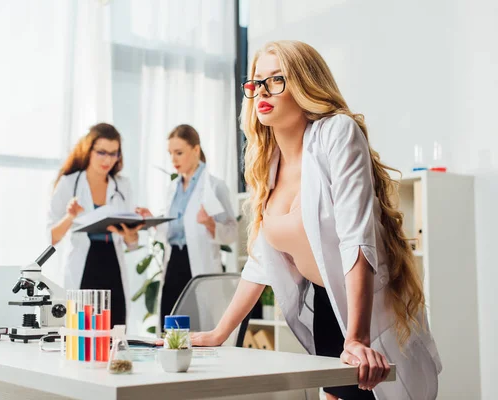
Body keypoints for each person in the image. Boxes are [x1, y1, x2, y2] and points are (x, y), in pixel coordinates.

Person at [189, 41, 442, 400]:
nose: (262, 90)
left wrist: (357, 338)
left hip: (366, 313)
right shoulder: (266, 163)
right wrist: (218, 333)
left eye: (276, 80)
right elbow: (260, 264)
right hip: (326, 312)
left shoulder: (336, 133)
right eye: (256, 82)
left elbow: (356, 239)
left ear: (306, 83)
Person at [137, 124, 238, 331]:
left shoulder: (214, 186)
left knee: (199, 327)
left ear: (195, 150)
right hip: (174, 263)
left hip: (199, 268)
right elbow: (173, 231)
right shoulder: (172, 188)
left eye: (179, 153)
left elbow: (232, 232)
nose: (173, 159)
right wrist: (152, 221)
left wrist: (210, 224)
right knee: (170, 327)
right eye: (170, 153)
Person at [47, 123, 142, 327]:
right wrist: (70, 216)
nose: (108, 159)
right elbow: (52, 237)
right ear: (88, 150)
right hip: (85, 268)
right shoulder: (69, 183)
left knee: (115, 333)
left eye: (113, 153)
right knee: (83, 333)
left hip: (113, 267)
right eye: (101, 152)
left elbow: (132, 244)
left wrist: (131, 233)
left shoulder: (123, 185)